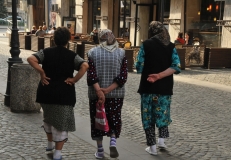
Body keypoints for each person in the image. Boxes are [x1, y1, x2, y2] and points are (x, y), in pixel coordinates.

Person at [27, 27, 89, 160]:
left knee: (48, 119)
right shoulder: (72, 56)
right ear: (68, 40)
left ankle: (49, 145)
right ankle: (57, 153)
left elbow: (31, 59)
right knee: (61, 124)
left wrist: (42, 72)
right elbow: (85, 66)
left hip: (46, 92)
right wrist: (74, 80)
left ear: (54, 39)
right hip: (64, 94)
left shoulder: (46, 52)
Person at [135, 21, 181, 156]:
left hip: (148, 86)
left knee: (148, 117)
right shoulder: (171, 46)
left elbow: (139, 66)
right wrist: (160, 75)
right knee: (163, 114)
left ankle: (152, 147)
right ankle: (161, 141)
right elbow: (176, 66)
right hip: (165, 88)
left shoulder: (146, 45)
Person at [87, 29, 128, 159]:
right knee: (114, 118)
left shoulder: (92, 52)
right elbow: (123, 76)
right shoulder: (121, 53)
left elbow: (91, 75)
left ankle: (100, 151)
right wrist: (109, 89)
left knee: (98, 119)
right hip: (116, 94)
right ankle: (113, 142)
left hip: (96, 95)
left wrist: (100, 91)